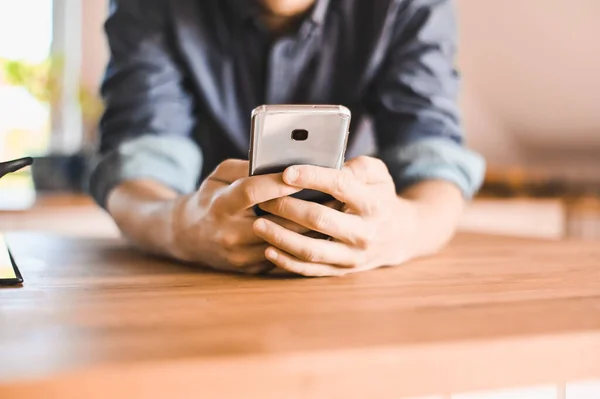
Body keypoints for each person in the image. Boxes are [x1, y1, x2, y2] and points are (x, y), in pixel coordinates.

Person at [90, 0, 485, 277]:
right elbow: (137, 162)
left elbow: (434, 155)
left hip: (350, 274)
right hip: (206, 277)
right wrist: (180, 227)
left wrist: (403, 229)